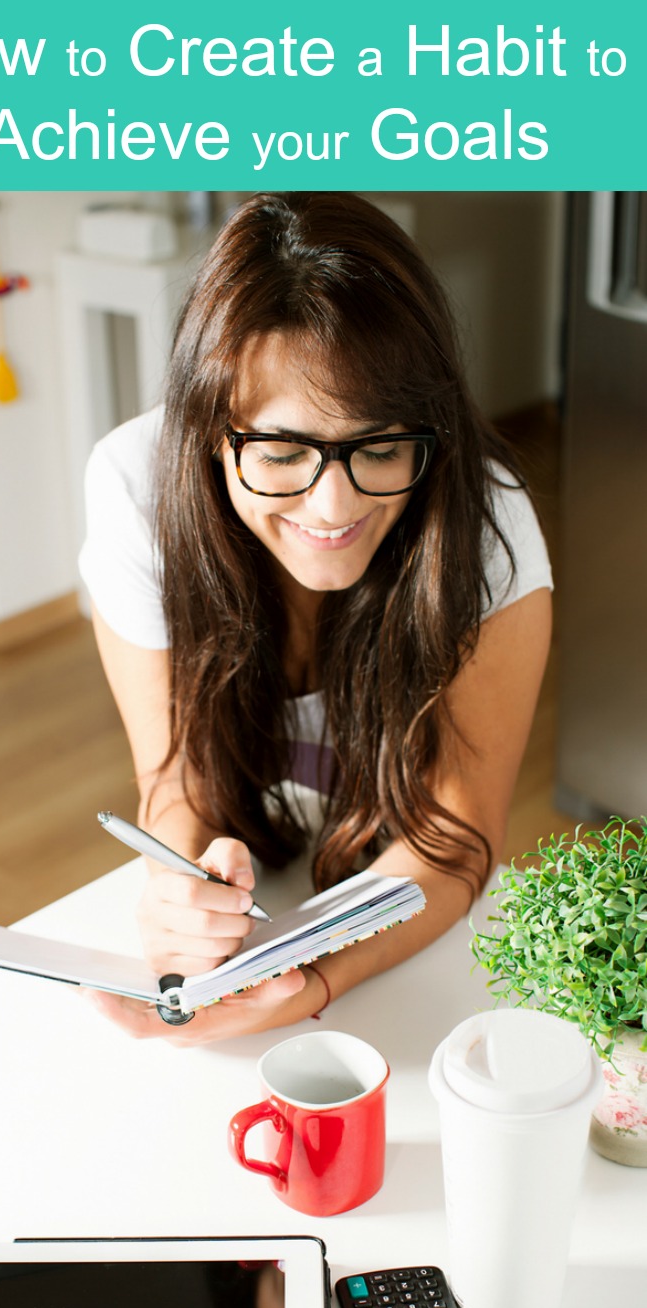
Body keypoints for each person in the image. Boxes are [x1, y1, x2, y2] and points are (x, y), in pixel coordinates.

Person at [79, 192, 552, 1043]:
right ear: (209, 433)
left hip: (407, 939)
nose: (333, 505)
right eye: (282, 451)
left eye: (378, 447)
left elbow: (453, 838)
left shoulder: (486, 520)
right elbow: (177, 778)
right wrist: (183, 883)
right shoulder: (136, 487)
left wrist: (313, 979)